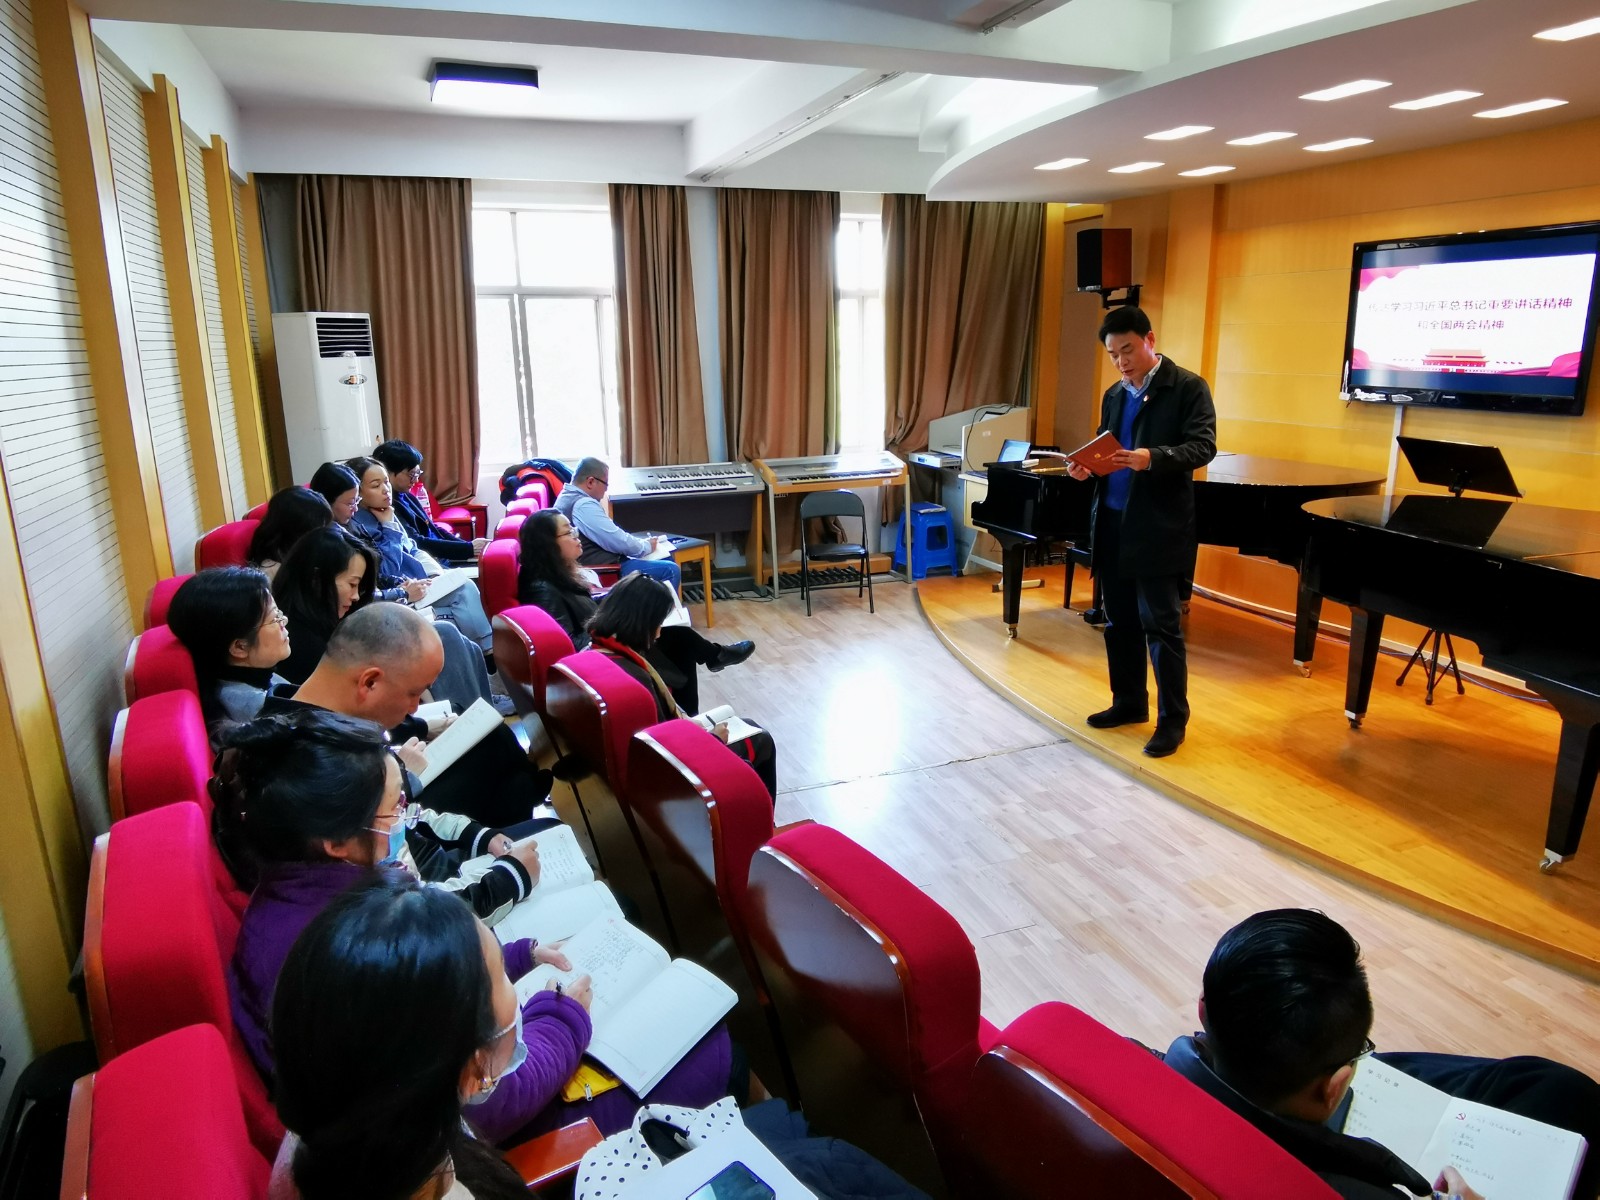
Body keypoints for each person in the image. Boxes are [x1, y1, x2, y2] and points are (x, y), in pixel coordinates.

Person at [1160, 909, 1600, 1200]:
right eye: (1358, 1056)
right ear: (1334, 1087)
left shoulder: (1144, 1073)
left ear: (1203, 1009)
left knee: (1551, 1088)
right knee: (1561, 1093)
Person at [215, 711, 548, 1088]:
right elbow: (477, 1091)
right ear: (336, 841)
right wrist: (563, 1021)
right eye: (394, 807)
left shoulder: (290, 881)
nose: (405, 814)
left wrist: (515, 958)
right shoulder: (362, 944)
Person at [1065, 306, 1216, 758]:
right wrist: (1085, 466)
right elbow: (1104, 445)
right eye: (1113, 355)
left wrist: (1153, 457)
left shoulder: (1187, 387)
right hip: (1112, 521)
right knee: (1119, 622)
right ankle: (1129, 702)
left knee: (1161, 627)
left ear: (1150, 339)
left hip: (1157, 527)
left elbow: (1203, 446)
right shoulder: (1114, 394)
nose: (1121, 362)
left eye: (1127, 350)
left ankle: (1172, 722)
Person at [260, 601, 549, 829]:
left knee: (484, 736)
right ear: (369, 682)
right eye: (414, 693)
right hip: (400, 825)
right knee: (500, 775)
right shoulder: (307, 762)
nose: (414, 706)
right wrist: (401, 775)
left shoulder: (291, 703)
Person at [517, 509, 754, 709]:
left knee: (677, 636)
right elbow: (568, 645)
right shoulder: (543, 589)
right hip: (603, 657)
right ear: (548, 544)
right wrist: (617, 621)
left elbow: (584, 612)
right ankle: (709, 668)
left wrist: (618, 603)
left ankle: (707, 674)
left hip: (607, 641)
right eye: (568, 532)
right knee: (676, 642)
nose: (576, 536)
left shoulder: (557, 574)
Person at [588, 573, 777, 800]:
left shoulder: (593, 652)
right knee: (761, 738)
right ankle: (760, 820)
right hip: (668, 778)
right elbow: (660, 752)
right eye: (659, 623)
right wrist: (714, 739)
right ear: (643, 623)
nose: (660, 632)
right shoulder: (634, 680)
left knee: (748, 725)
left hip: (620, 770)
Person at [272, 526, 496, 713]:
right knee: (445, 635)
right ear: (317, 578)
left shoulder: (321, 619)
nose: (356, 596)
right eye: (352, 584)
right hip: (370, 724)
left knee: (462, 643)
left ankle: (483, 722)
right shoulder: (297, 637)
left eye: (359, 587)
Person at [348, 455, 497, 654]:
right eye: (376, 485)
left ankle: (483, 652)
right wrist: (389, 526)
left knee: (462, 587)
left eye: (386, 482)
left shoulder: (386, 510)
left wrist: (435, 574)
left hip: (421, 578)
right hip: (401, 590)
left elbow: (413, 548)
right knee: (463, 592)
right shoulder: (359, 525)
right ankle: (488, 652)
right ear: (357, 492)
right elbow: (387, 568)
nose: (386, 489)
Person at [166, 567, 291, 727]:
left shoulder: (255, 675)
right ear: (240, 647)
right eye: (274, 618)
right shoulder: (256, 709)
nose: (284, 620)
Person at [310, 460, 428, 608]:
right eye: (350, 503)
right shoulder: (329, 541)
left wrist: (398, 582)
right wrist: (402, 593)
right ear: (326, 502)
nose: (355, 509)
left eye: (356, 501)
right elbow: (358, 594)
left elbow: (378, 574)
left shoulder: (354, 524)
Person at [552, 457, 681, 591]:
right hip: (607, 570)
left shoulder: (565, 496)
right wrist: (646, 546)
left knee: (664, 558)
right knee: (670, 570)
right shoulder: (583, 505)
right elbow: (616, 540)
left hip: (595, 565)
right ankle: (658, 605)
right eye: (605, 484)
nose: (605, 491)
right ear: (591, 482)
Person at [371, 438, 488, 564]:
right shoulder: (388, 506)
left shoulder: (407, 496)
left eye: (417, 474)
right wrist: (468, 549)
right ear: (388, 473)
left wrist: (469, 546)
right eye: (411, 475)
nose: (416, 480)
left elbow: (433, 528)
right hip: (429, 563)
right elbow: (417, 542)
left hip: (442, 559)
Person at [248, 487, 335, 579]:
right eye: (319, 530)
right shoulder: (273, 572)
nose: (324, 535)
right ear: (297, 532)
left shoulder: (302, 552)